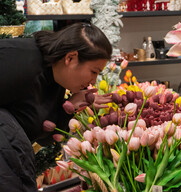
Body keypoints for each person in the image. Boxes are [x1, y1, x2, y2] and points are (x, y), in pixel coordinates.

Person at [0, 22, 113, 191]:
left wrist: (72, 105)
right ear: (70, 58)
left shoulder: (55, 77)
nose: (93, 81)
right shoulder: (17, 62)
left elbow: (44, 135)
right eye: (94, 71)